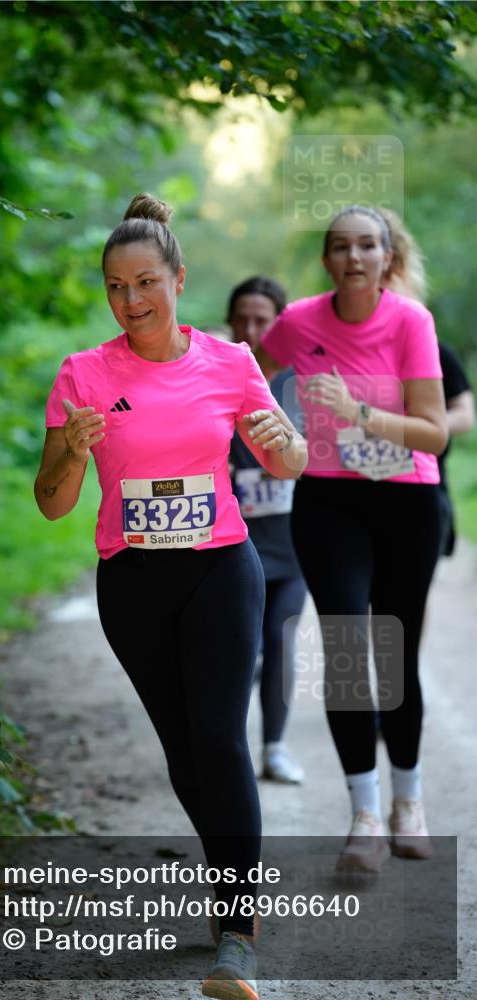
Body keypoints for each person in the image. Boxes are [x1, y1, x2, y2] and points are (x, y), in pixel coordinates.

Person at [35, 193, 307, 999]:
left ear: (178, 280)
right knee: (185, 754)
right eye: (115, 288)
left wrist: (280, 440)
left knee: (221, 743)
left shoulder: (228, 361)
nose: (131, 301)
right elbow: (50, 501)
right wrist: (75, 456)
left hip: (221, 567)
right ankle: (232, 889)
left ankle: (237, 935)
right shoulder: (82, 374)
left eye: (145, 282)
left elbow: (287, 461)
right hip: (133, 580)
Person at [256, 204, 448, 872]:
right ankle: (363, 814)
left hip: (404, 501)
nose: (354, 257)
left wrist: (358, 413)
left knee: (391, 653)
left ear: (387, 258)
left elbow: (434, 431)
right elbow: (245, 372)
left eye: (367, 246)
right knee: (343, 649)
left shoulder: (410, 322)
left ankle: (408, 799)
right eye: (340, 246)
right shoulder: (297, 321)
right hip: (328, 502)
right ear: (326, 261)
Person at [227, 276, 307, 784]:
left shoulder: (302, 383)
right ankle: (225, 756)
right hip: (235, 547)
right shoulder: (216, 375)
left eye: (264, 320)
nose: (253, 330)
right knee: (241, 646)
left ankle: (274, 748)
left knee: (281, 638)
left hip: (294, 545)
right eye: (243, 319)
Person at [380, 208, 475, 559]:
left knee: (408, 598)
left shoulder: (433, 348)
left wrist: (413, 429)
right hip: (355, 487)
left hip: (422, 485)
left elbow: (465, 414)